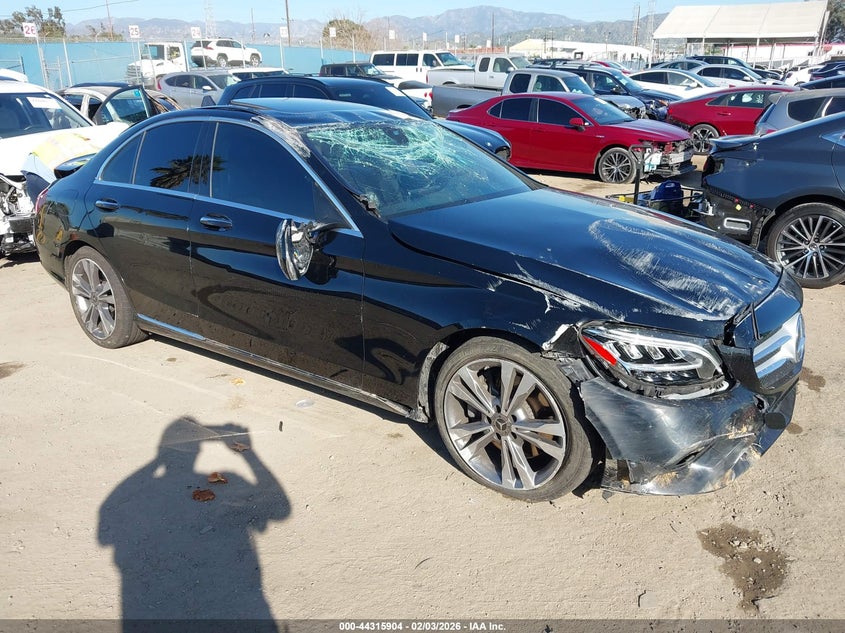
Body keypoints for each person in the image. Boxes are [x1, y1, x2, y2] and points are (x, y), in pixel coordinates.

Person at [98, 417, 289, 627]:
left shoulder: (128, 496)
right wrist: (249, 452)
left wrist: (157, 460)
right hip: (235, 595)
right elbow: (282, 510)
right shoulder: (232, 476)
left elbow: (104, 536)